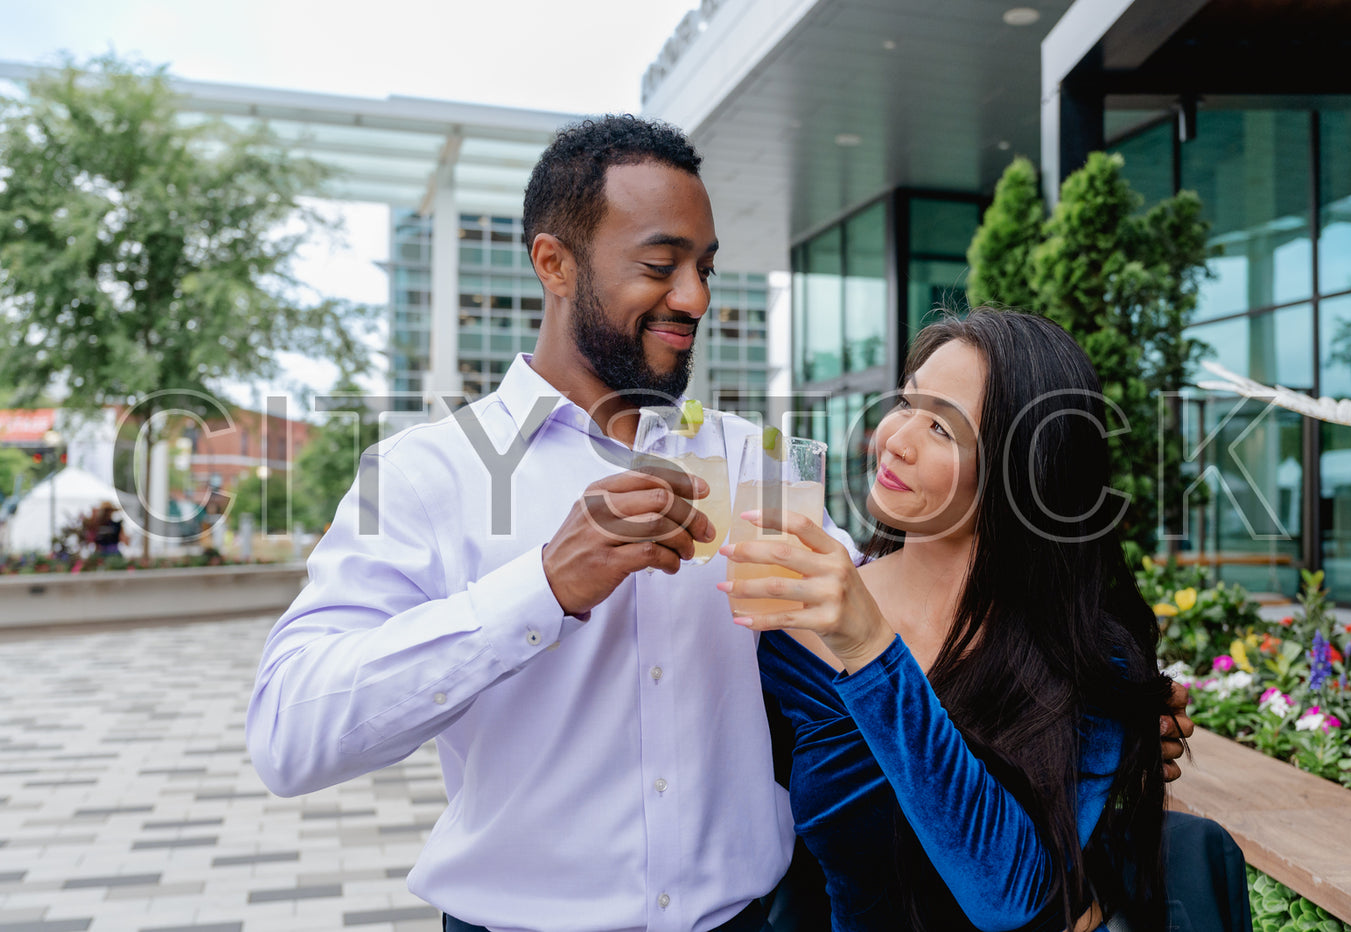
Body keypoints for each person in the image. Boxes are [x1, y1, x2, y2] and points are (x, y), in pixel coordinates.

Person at [247, 118, 1193, 932]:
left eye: (704, 268)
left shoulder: (761, 465)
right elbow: (292, 736)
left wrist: (1095, 716)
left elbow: (909, 621)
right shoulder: (426, 475)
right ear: (554, 262)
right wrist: (542, 586)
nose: (695, 298)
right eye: (661, 266)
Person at [721, 310, 1218, 932]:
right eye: (906, 403)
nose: (894, 438)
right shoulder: (793, 623)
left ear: (1024, 472)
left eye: (941, 428)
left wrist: (873, 649)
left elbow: (1013, 898)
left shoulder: (1085, 655)